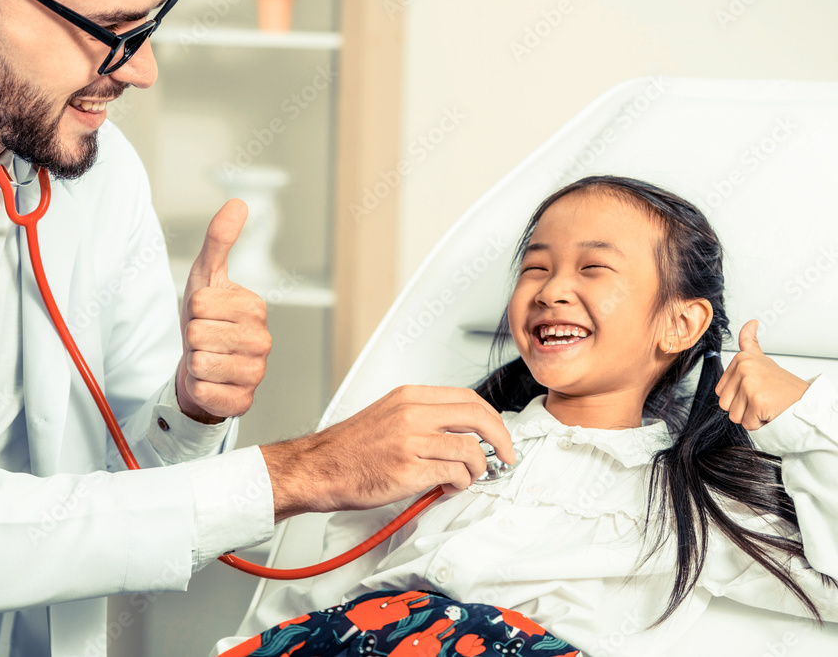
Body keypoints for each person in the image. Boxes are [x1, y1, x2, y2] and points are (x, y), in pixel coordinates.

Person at [0, 0, 514, 654]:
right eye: (109, 30)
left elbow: (126, 480)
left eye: (148, 25)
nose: (141, 68)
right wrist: (304, 472)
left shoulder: (101, 176)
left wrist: (191, 408)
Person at [216, 176, 838, 657]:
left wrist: (804, 414)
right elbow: (315, 597)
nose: (551, 289)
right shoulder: (437, 443)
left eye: (593, 268)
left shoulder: (696, 497)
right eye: (536, 267)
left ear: (681, 323)